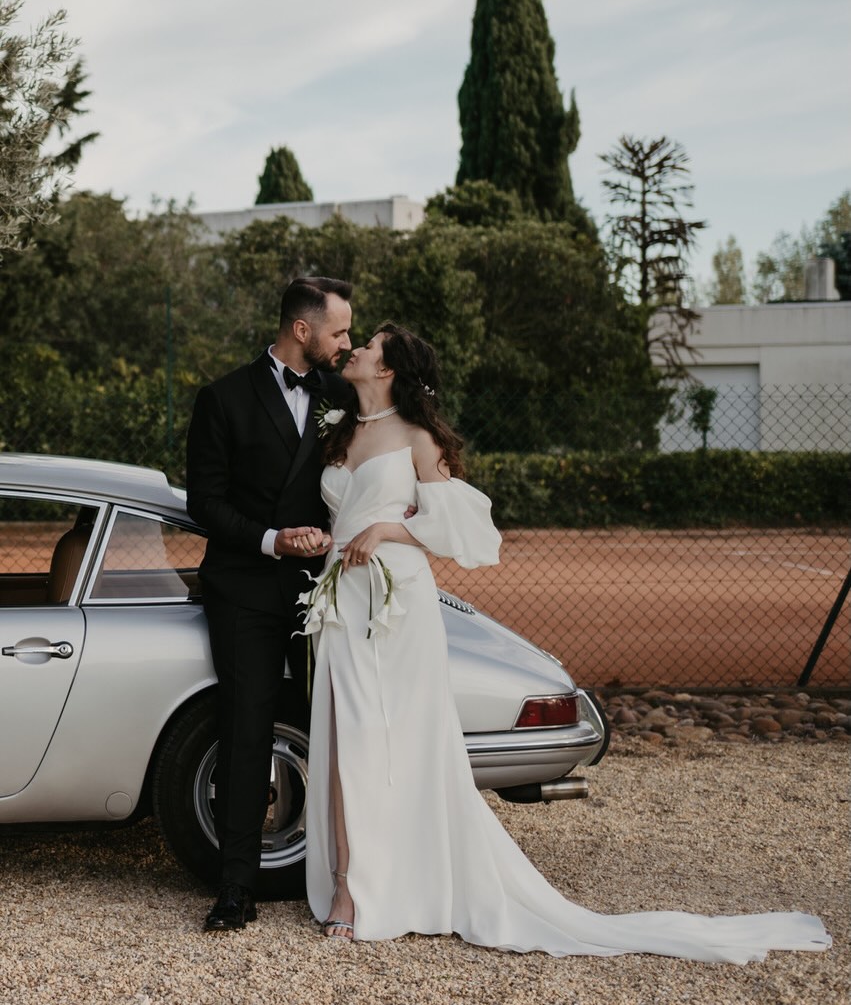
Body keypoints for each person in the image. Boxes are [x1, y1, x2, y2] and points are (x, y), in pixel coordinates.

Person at [298, 322, 831, 961]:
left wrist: (386, 529)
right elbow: (334, 511)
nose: (355, 349)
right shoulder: (339, 431)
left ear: (387, 369)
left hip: (398, 604)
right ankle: (347, 885)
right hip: (341, 599)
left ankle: (402, 881)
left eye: (369, 346)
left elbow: (460, 530)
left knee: (398, 741)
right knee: (344, 739)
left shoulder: (418, 439)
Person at [186, 276, 354, 932]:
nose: (347, 343)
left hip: (323, 587)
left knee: (340, 724)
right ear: (302, 329)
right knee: (245, 726)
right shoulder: (223, 398)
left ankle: (350, 879)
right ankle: (235, 887)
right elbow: (205, 502)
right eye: (339, 331)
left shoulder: (343, 395)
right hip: (245, 588)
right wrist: (270, 539)